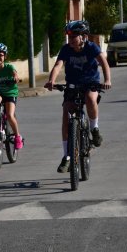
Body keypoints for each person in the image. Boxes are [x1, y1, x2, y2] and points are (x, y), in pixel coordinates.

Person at [44, 20, 111, 173]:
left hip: (90, 83)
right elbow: (58, 65)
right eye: (69, 36)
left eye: (74, 36)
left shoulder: (91, 47)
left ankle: (94, 129)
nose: (70, 39)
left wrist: (107, 80)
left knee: (90, 98)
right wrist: (51, 81)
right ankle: (67, 156)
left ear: (83, 36)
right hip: (73, 85)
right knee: (66, 114)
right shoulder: (66, 49)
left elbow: (104, 63)